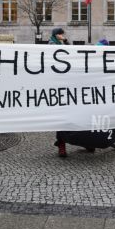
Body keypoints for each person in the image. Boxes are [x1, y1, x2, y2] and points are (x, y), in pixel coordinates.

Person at [49, 28, 71, 157]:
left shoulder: (62, 43)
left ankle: (86, 141)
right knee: (62, 117)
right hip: (57, 83)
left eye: (62, 34)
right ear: (54, 35)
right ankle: (61, 145)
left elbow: (71, 52)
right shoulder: (51, 44)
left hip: (68, 81)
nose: (61, 36)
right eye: (59, 34)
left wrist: (66, 41)